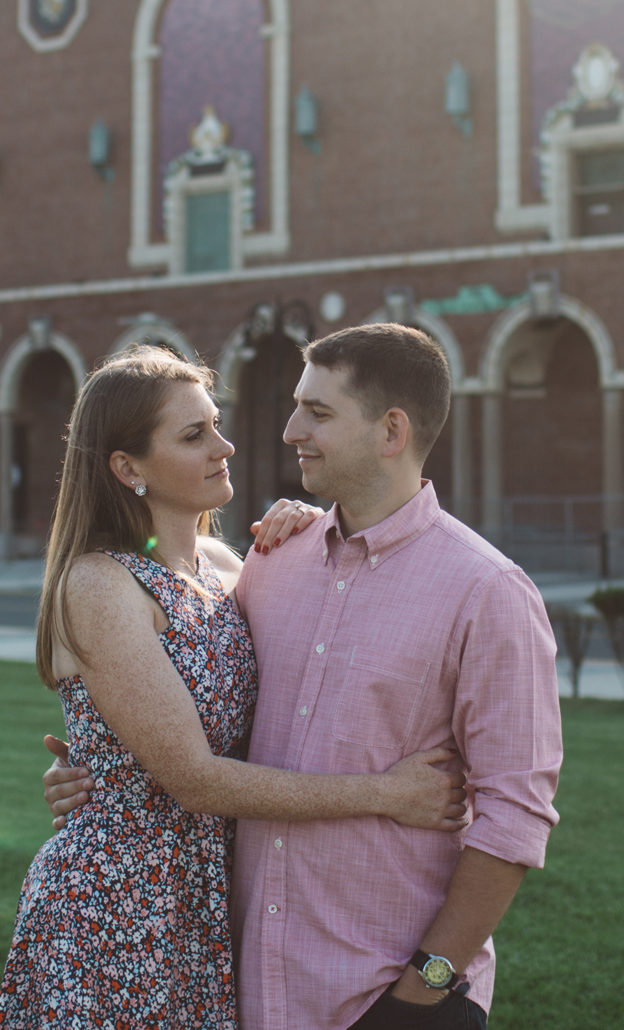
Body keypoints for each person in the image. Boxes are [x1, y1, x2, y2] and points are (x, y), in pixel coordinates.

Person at [46, 323, 564, 1029]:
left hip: (393, 989)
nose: (288, 430)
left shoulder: (487, 591)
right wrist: (105, 773)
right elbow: (183, 742)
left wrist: (429, 985)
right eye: (296, 405)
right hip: (237, 973)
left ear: (391, 431)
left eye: (317, 412)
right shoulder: (271, 563)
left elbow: (516, 816)